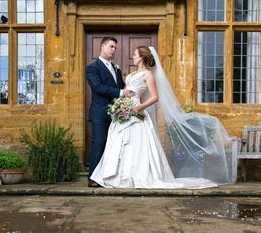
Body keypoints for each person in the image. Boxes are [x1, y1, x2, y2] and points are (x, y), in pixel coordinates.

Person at [90, 46, 238, 189]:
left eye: (135, 54)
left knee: (137, 145)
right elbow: (123, 90)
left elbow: (155, 97)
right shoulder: (130, 74)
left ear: (142, 57)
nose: (133, 57)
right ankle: (117, 176)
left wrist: (139, 107)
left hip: (136, 110)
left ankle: (136, 175)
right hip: (123, 112)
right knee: (119, 142)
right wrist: (121, 104)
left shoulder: (148, 75)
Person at [85, 37, 132, 187]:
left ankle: (109, 176)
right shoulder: (92, 68)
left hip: (118, 113)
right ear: (102, 46)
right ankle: (93, 177)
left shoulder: (116, 69)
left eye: (115, 48)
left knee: (114, 145)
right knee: (99, 143)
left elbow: (122, 86)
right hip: (100, 112)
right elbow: (98, 87)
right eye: (111, 47)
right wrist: (120, 92)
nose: (114, 50)